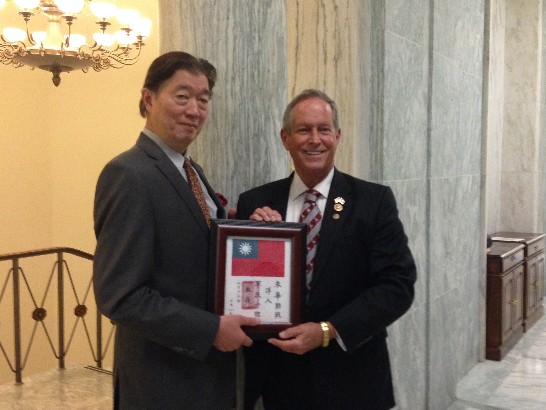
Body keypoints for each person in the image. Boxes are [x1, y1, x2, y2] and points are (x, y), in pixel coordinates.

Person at [93, 51, 259, 410]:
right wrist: (210, 330)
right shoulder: (129, 174)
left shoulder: (189, 168)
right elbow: (120, 296)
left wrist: (250, 229)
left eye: (203, 100)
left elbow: (196, 243)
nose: (194, 110)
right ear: (149, 98)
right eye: (181, 96)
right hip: (163, 382)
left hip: (205, 378)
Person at [237, 89, 417, 410]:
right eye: (304, 130)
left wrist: (327, 331)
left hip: (351, 377)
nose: (314, 139)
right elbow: (245, 287)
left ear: (337, 135)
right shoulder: (256, 202)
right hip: (279, 379)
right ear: (286, 138)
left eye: (324, 129)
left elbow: (397, 286)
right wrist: (254, 238)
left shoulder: (373, 202)